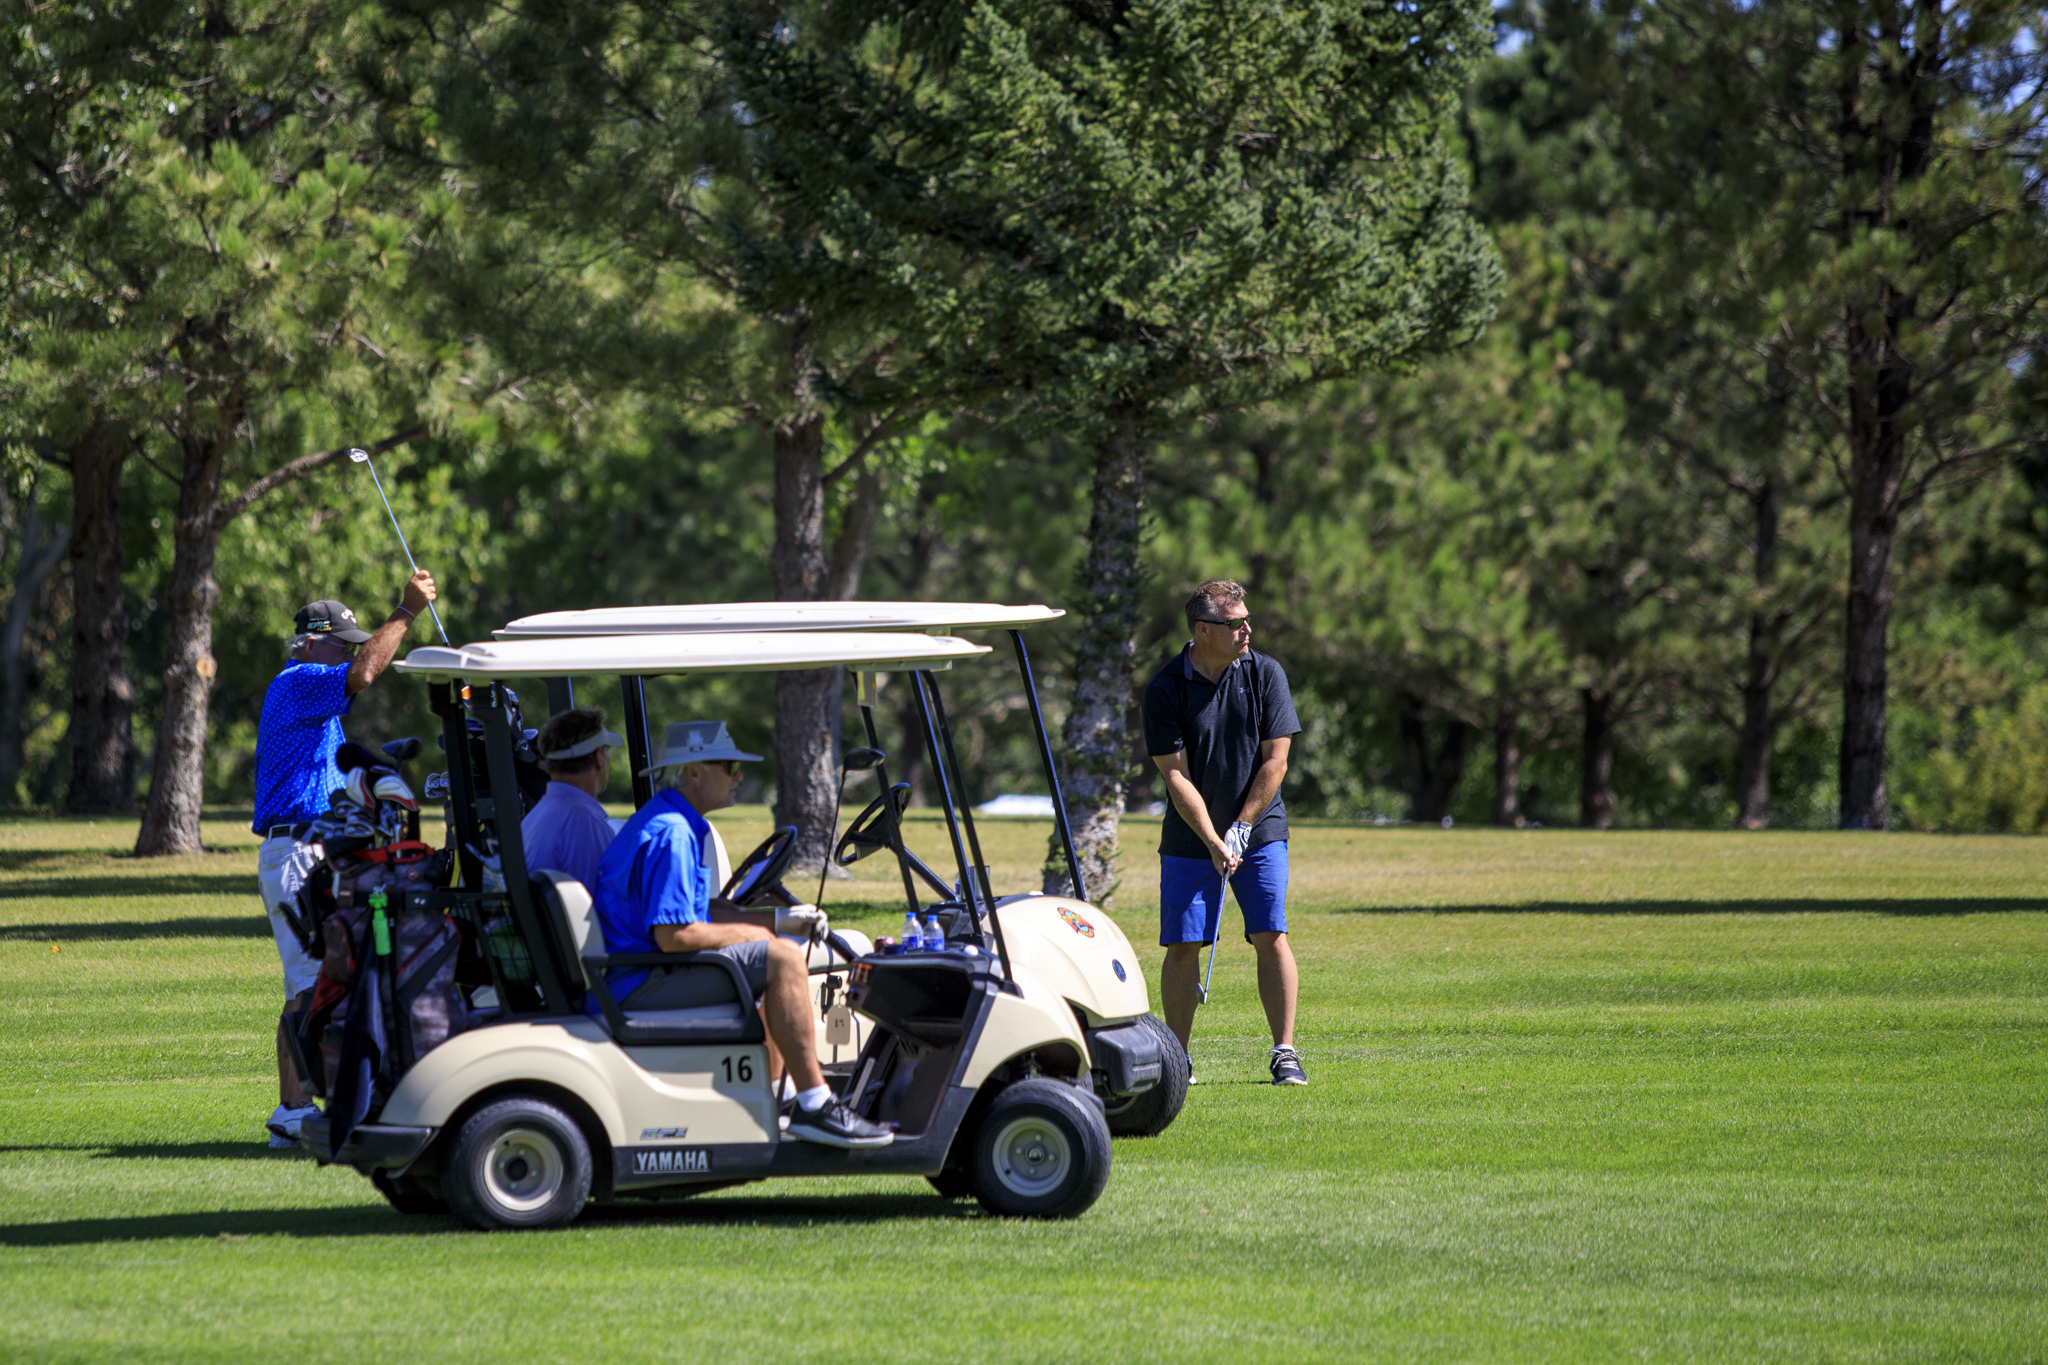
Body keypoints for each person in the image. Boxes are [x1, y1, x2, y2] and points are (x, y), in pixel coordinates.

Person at [592, 721, 892, 1149]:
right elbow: (674, 935)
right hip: (641, 981)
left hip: (642, 971)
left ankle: (779, 1095)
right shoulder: (673, 833)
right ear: (694, 772)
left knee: (775, 949)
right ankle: (815, 1104)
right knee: (782, 959)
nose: (738, 776)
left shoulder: (672, 820)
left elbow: (701, 909)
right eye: (729, 766)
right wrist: (765, 937)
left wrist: (779, 920)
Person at [253, 571, 438, 1146]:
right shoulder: (301, 679)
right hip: (296, 852)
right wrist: (406, 612)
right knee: (310, 982)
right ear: (312, 643)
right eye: (341, 644)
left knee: (320, 977)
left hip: (311, 849)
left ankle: (307, 1102)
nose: (348, 655)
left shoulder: (316, 701)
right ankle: (291, 1111)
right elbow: (364, 673)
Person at [1144, 579, 1307, 1086]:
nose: (1247, 630)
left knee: (1270, 933)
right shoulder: (1166, 687)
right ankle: (1178, 1059)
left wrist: (1241, 826)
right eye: (1235, 623)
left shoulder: (1265, 673)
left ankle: (1285, 1052)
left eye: (1247, 620)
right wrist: (1213, 839)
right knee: (1183, 943)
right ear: (1202, 630)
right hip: (1191, 833)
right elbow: (1175, 775)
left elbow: (1276, 761)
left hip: (1259, 828)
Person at [521, 707, 625, 888]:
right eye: (607, 750)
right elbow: (599, 900)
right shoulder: (584, 821)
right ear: (598, 757)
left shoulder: (537, 814)